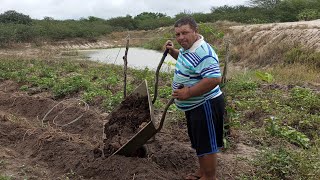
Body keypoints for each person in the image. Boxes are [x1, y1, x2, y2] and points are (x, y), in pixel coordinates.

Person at [165, 16, 225, 180]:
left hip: (205, 104)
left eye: (185, 33)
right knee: (200, 142)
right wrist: (172, 52)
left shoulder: (203, 52)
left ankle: (209, 177)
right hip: (194, 106)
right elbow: (186, 61)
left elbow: (214, 79)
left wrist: (189, 92)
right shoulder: (188, 48)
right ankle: (202, 172)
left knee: (207, 145)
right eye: (177, 34)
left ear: (196, 31)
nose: (181, 38)